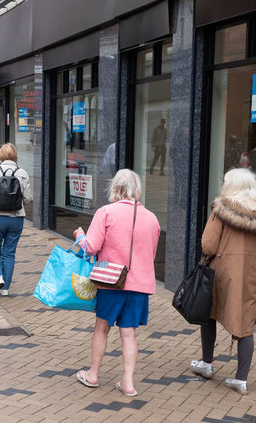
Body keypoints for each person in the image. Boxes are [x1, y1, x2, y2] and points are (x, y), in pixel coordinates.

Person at [189, 168, 256, 395]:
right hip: (250, 273)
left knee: (208, 313)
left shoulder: (221, 209)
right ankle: (241, 379)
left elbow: (209, 246)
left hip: (220, 272)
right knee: (245, 323)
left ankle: (207, 363)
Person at [73, 169, 161, 397]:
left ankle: (93, 375)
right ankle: (128, 383)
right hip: (139, 284)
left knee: (102, 328)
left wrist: (80, 236)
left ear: (115, 188)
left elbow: (90, 247)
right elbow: (150, 254)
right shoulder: (152, 218)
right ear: (137, 189)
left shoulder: (106, 212)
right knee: (129, 333)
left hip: (111, 282)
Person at [0, 143, 32, 296]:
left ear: (1, 155)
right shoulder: (22, 173)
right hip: (16, 218)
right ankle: (5, 289)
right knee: (9, 253)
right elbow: (28, 198)